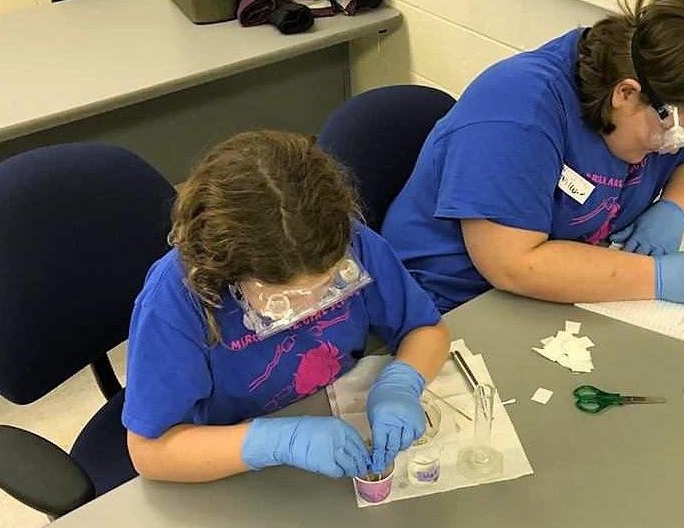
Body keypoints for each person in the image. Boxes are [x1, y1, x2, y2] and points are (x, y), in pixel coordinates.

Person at [381, 0, 684, 312]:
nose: (675, 145)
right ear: (625, 94)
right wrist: (657, 278)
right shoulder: (518, 114)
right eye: (673, 132)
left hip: (551, 293)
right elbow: (513, 265)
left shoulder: (653, 97)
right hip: (452, 304)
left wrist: (675, 209)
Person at [122, 130, 450, 482]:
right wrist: (274, 442)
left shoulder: (346, 241)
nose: (310, 307)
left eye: (330, 285)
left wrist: (402, 383)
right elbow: (150, 452)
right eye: (282, 299)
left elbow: (425, 329)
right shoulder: (176, 300)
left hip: (334, 408)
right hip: (232, 458)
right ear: (226, 268)